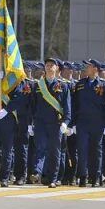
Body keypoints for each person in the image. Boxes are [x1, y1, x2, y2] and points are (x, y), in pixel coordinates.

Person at [70, 60, 105, 187]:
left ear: (95, 69)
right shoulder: (80, 84)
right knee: (82, 150)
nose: (85, 68)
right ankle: (82, 176)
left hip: (97, 122)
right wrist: (73, 123)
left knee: (96, 151)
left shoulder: (104, 85)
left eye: (88, 66)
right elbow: (75, 104)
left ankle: (96, 177)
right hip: (82, 122)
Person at [31, 58, 72, 188]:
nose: (49, 67)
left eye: (52, 65)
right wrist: (31, 122)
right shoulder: (38, 85)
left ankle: (53, 178)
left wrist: (66, 122)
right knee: (41, 148)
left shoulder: (63, 85)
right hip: (41, 123)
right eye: (47, 65)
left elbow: (67, 107)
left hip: (56, 123)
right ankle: (37, 172)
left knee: (55, 152)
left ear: (57, 69)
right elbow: (33, 105)